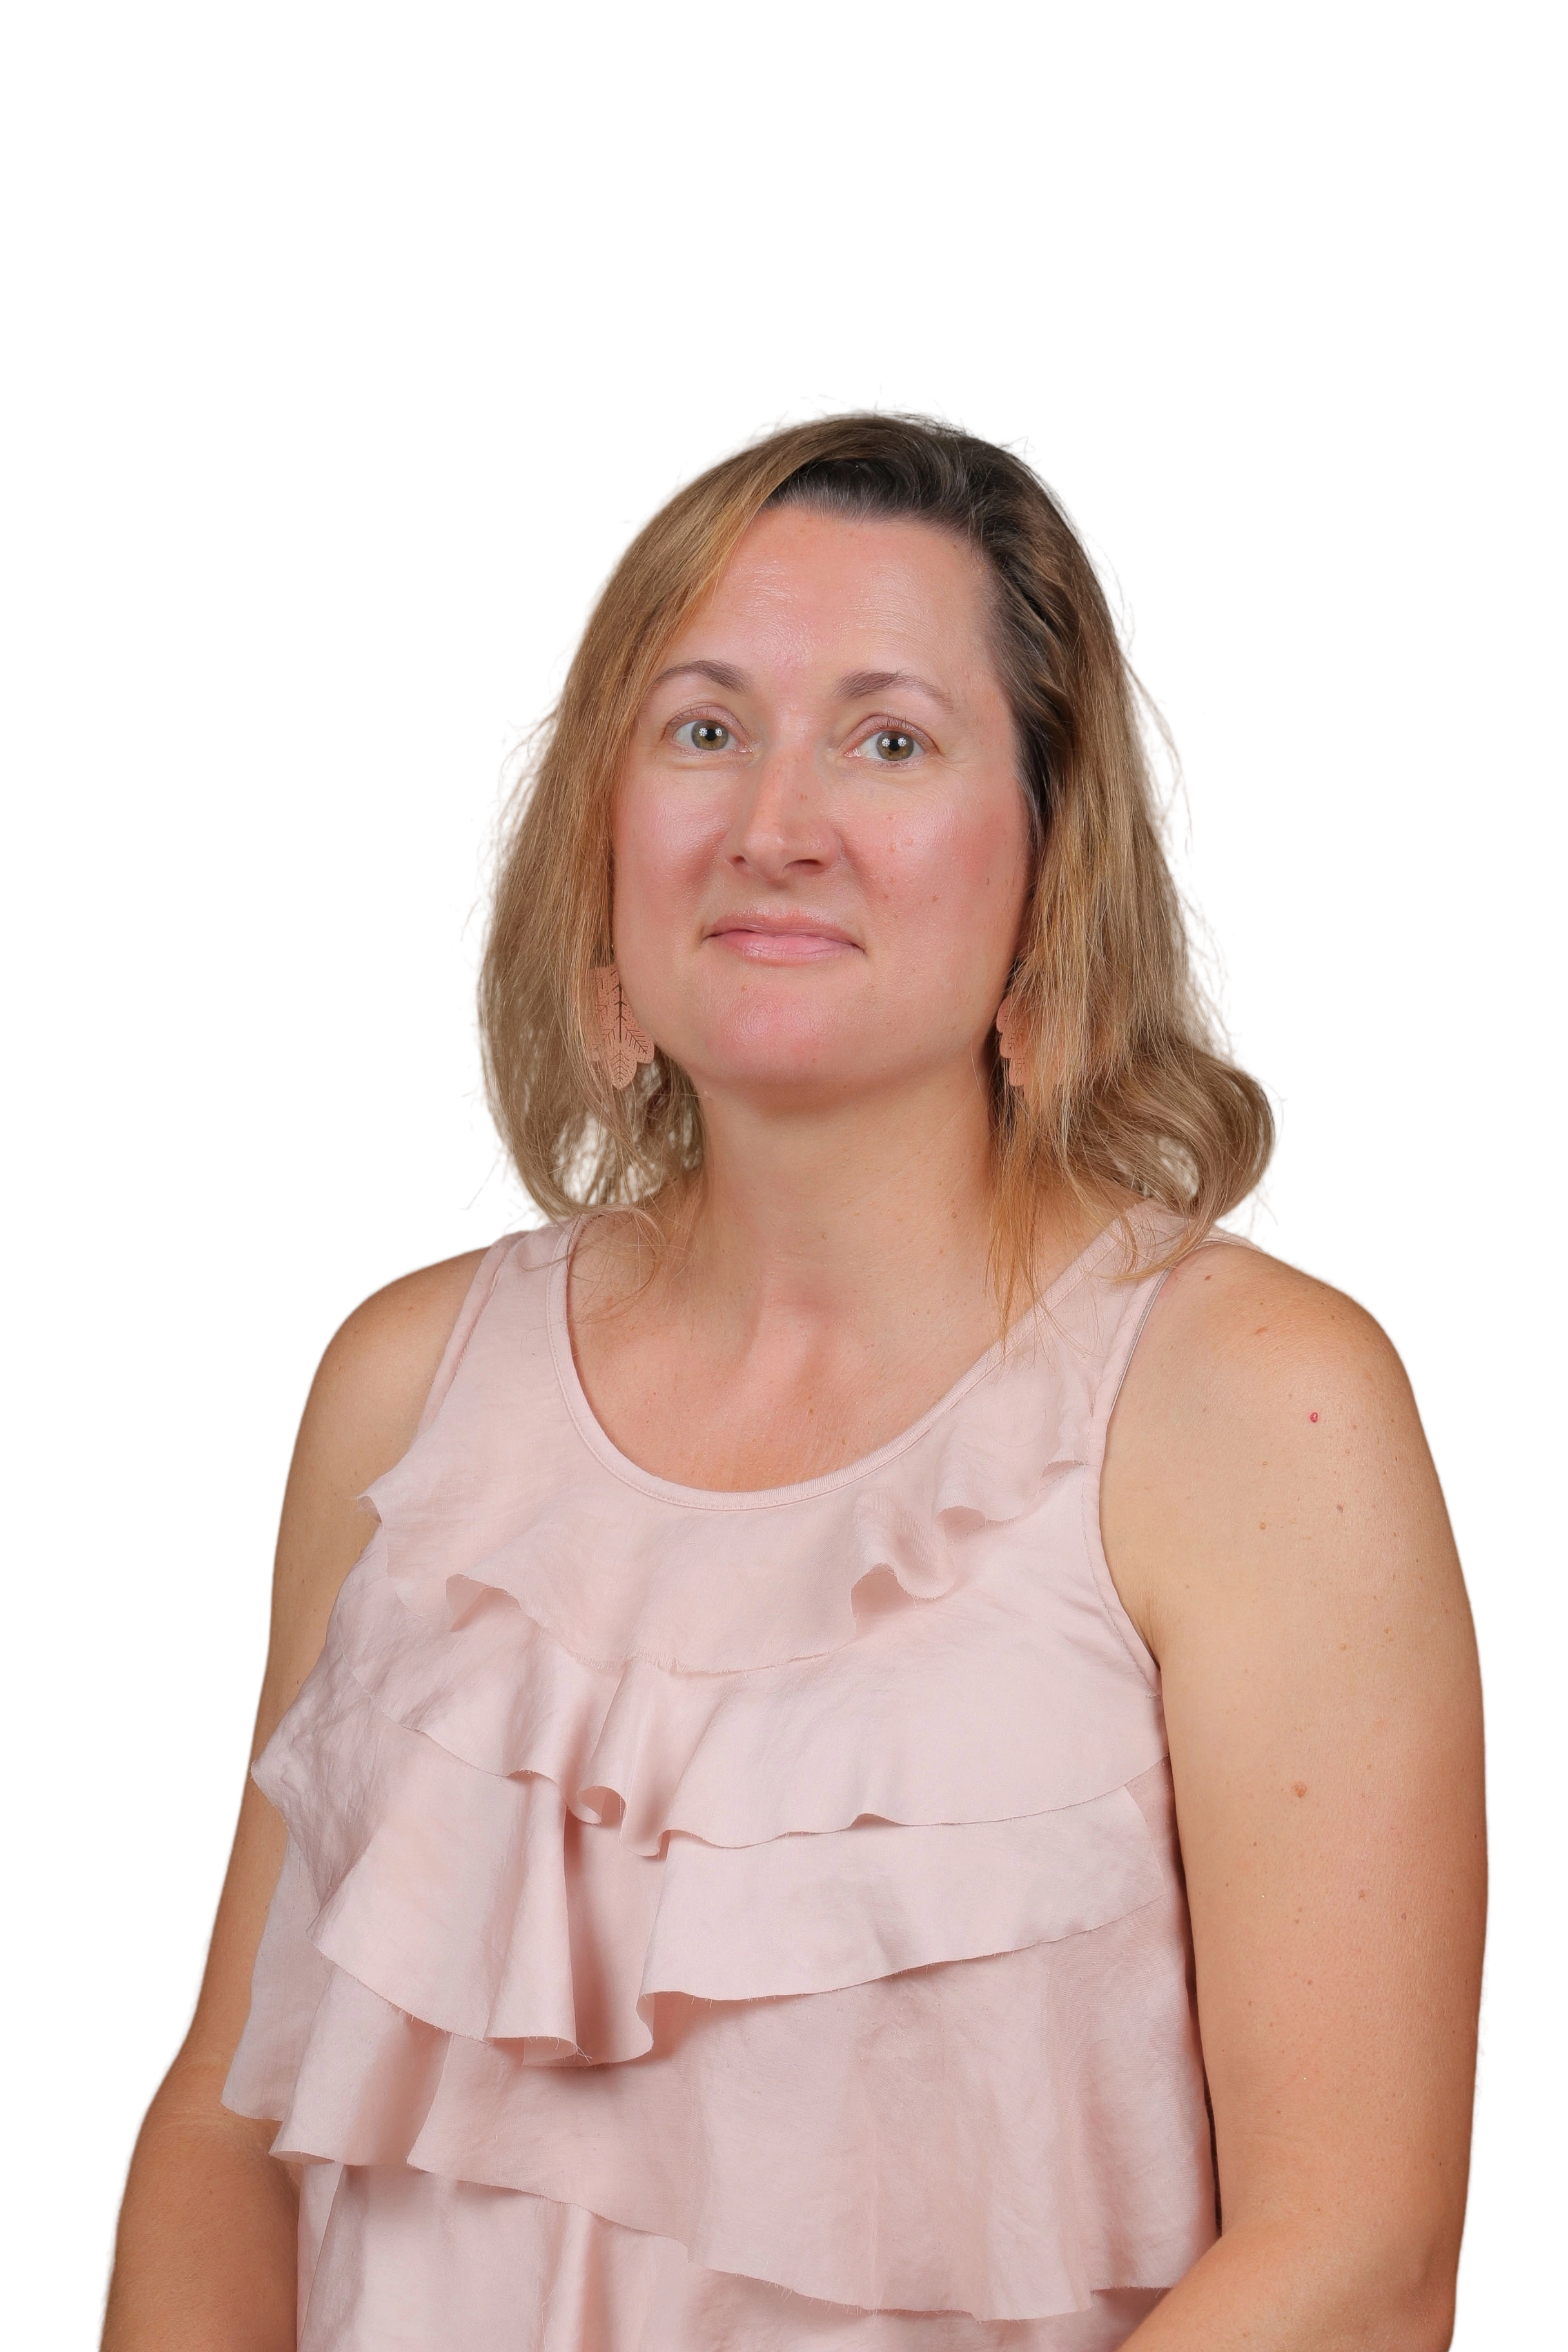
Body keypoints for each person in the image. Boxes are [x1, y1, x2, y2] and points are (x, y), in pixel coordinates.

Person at [97, 395, 1489, 2351]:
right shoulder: (406, 1390)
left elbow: (1356, 2255)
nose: (776, 825)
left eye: (889, 739)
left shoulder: (1255, 1403)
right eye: (703, 728)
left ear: (1053, 852)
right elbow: (228, 2131)